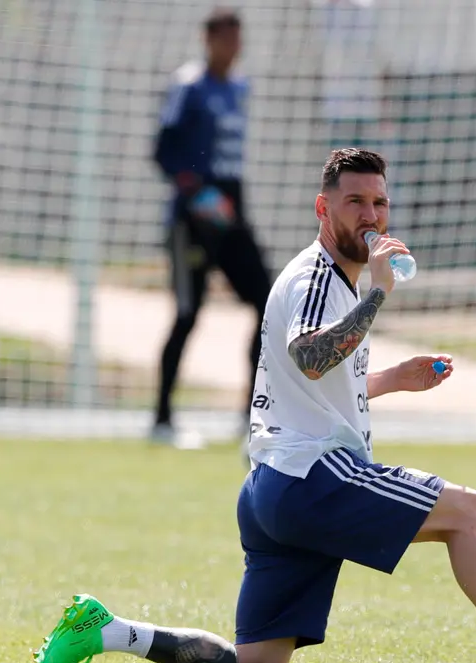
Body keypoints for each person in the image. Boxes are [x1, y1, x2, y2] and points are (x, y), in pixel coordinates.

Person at [29, 149, 476, 663]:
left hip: (271, 490)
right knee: (473, 513)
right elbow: (311, 356)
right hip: (314, 477)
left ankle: (108, 631)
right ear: (323, 207)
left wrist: (391, 380)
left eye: (379, 203)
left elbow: (310, 379)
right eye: (355, 202)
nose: (370, 215)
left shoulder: (336, 280)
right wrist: (378, 295)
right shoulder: (318, 277)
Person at [151, 7, 272, 449]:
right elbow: (163, 151)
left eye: (239, 39)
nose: (235, 48)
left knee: (267, 301)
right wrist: (197, 192)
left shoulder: (241, 87)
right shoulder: (189, 87)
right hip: (194, 219)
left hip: (231, 214)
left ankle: (252, 416)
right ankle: (162, 419)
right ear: (209, 40)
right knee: (187, 313)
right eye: (227, 39)